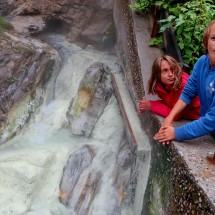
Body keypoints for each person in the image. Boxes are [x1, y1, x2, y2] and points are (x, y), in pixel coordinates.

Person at [154, 20, 215, 143]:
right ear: (206, 42)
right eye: (214, 38)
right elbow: (188, 92)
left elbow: (212, 119)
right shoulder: (202, 62)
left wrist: (176, 133)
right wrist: (168, 119)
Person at [138, 55, 200, 121]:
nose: (170, 74)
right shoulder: (161, 84)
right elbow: (171, 103)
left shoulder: (183, 85)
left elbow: (175, 115)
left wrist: (151, 106)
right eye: (165, 71)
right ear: (157, 74)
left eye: (173, 69)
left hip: (203, 116)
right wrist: (147, 104)